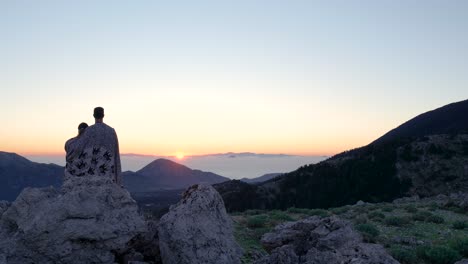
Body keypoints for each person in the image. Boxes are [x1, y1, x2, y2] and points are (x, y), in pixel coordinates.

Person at [64, 107, 122, 185]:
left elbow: (76, 147)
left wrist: (72, 141)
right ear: (103, 115)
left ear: (93, 115)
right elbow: (115, 153)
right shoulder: (111, 131)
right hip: (108, 176)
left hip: (92, 176)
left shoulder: (89, 131)